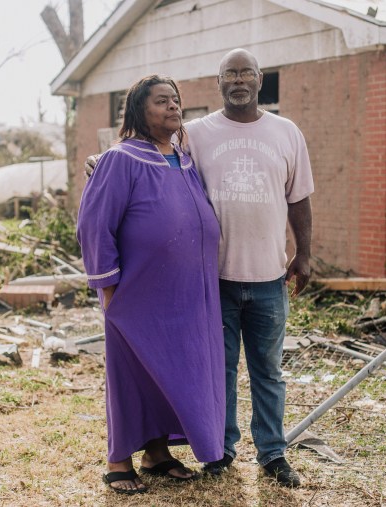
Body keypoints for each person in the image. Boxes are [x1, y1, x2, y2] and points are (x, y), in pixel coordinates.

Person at [76, 75, 225, 495]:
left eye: (176, 100)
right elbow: (94, 224)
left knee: (171, 371)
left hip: (189, 293)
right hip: (137, 294)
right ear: (140, 111)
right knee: (132, 375)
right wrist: (108, 289)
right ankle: (118, 462)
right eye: (162, 101)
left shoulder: (184, 158)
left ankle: (157, 454)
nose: (173, 107)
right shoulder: (121, 159)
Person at [185, 48, 314, 488]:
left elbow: (299, 198)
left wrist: (305, 253)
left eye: (246, 73)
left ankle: (273, 454)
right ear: (217, 82)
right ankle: (221, 451)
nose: (238, 80)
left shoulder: (286, 132)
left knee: (268, 372)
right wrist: (102, 160)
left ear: (261, 80)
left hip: (269, 278)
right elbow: (146, 146)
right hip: (213, 278)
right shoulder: (195, 133)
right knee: (218, 371)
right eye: (229, 73)